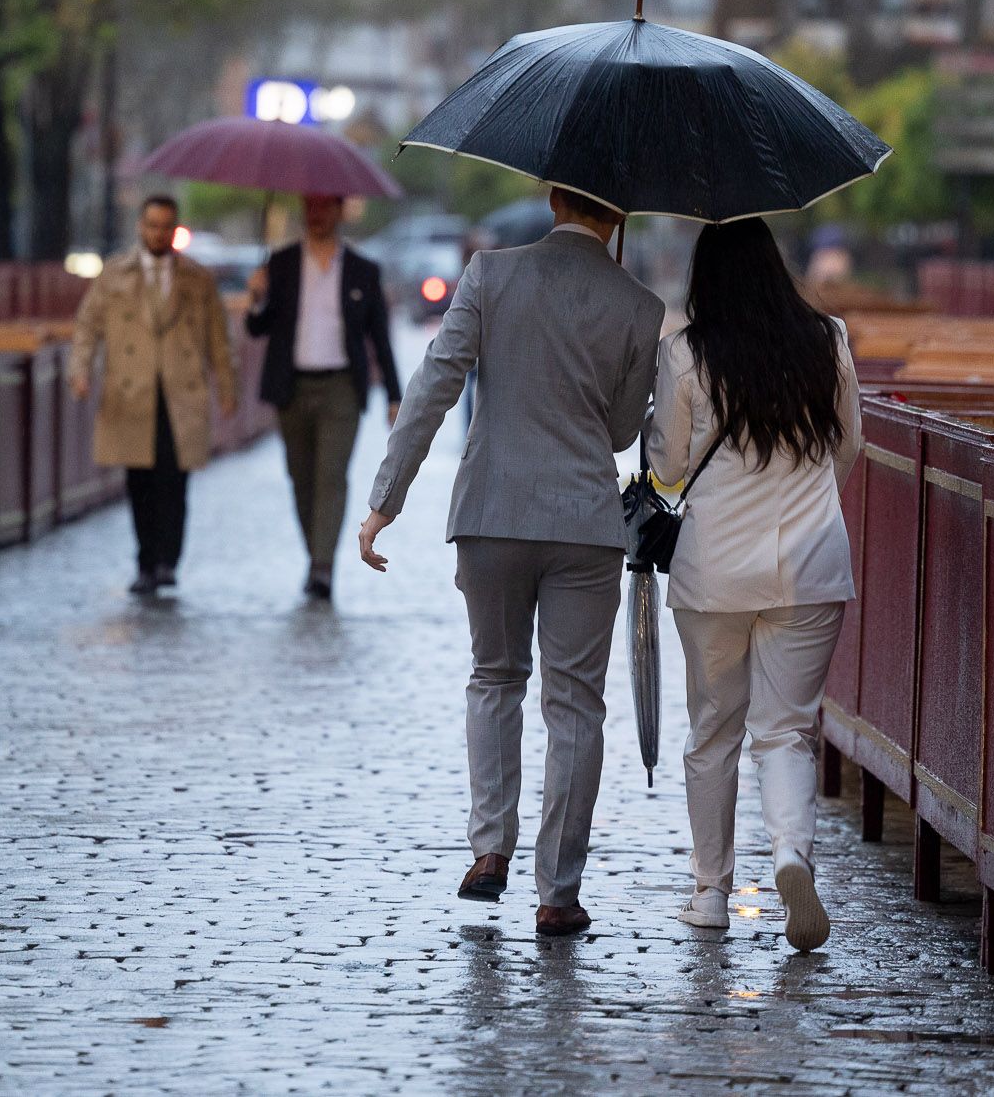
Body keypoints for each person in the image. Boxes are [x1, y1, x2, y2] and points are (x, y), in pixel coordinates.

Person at [357, 186, 665, 938]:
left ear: (554, 196)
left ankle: (490, 848)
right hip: (587, 526)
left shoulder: (488, 275)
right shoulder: (640, 305)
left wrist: (384, 501)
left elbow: (434, 384)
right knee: (575, 707)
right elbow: (624, 431)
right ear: (616, 214)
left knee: (494, 676)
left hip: (491, 515)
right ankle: (558, 892)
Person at [646, 217, 861, 953]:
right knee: (787, 731)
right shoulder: (826, 339)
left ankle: (710, 891)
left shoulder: (685, 354)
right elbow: (849, 444)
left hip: (714, 570)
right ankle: (792, 856)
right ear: (776, 267)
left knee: (713, 732)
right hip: (811, 562)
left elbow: (668, 467)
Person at [69, 195, 238, 595]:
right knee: (139, 480)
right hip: (132, 393)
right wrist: (80, 371)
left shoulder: (197, 279)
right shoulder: (114, 275)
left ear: (175, 229)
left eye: (166, 226)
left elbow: (220, 339)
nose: (158, 233)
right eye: (152, 225)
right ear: (140, 227)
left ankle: (168, 560)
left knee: (175, 481)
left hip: (181, 393)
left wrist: (228, 388)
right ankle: (146, 561)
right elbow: (87, 326)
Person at [245, 194, 401, 600]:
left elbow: (379, 335)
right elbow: (257, 329)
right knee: (301, 478)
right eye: (310, 207)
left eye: (325, 206)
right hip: (290, 386)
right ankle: (316, 554)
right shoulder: (278, 265)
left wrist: (394, 394)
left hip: (341, 388)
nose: (317, 215)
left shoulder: (363, 271)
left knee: (331, 477)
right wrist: (256, 296)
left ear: (338, 211)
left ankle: (322, 567)